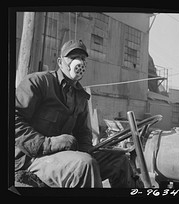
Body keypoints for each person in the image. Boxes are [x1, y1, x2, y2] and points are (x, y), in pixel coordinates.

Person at [15, 39, 143, 188]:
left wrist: (88, 149)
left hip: (64, 157)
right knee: (83, 165)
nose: (78, 62)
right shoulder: (38, 82)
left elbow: (83, 133)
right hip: (31, 158)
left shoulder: (80, 97)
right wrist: (46, 144)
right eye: (73, 57)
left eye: (82, 58)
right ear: (60, 61)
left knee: (119, 160)